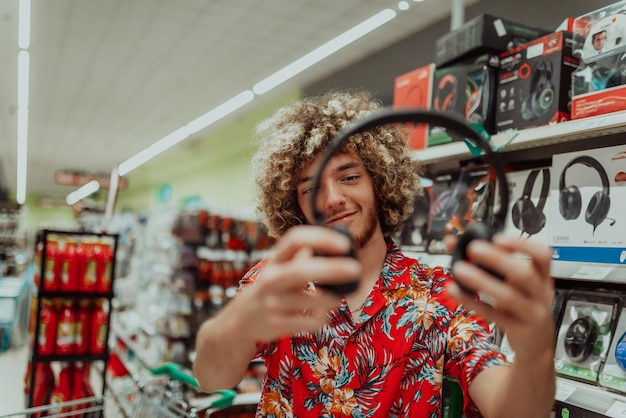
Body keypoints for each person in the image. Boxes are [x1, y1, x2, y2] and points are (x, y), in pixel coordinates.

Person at [193, 90, 556, 417]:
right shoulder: (275, 282)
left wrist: (535, 353)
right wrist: (233, 323)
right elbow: (211, 377)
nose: (332, 198)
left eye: (349, 177)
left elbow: (511, 408)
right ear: (294, 206)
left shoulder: (440, 295)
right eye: (312, 188)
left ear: (380, 183)